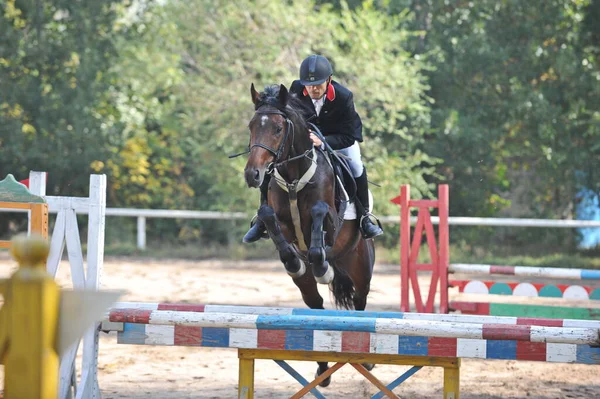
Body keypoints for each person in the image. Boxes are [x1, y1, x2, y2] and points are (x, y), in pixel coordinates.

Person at [243, 54, 383, 242]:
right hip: (307, 139)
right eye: (309, 85)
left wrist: (324, 141)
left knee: (356, 165)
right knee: (274, 162)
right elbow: (289, 118)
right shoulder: (296, 89)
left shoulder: (343, 97)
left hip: (338, 139)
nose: (313, 89)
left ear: (329, 80)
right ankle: (262, 219)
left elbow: (350, 135)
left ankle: (365, 217)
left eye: (318, 84)